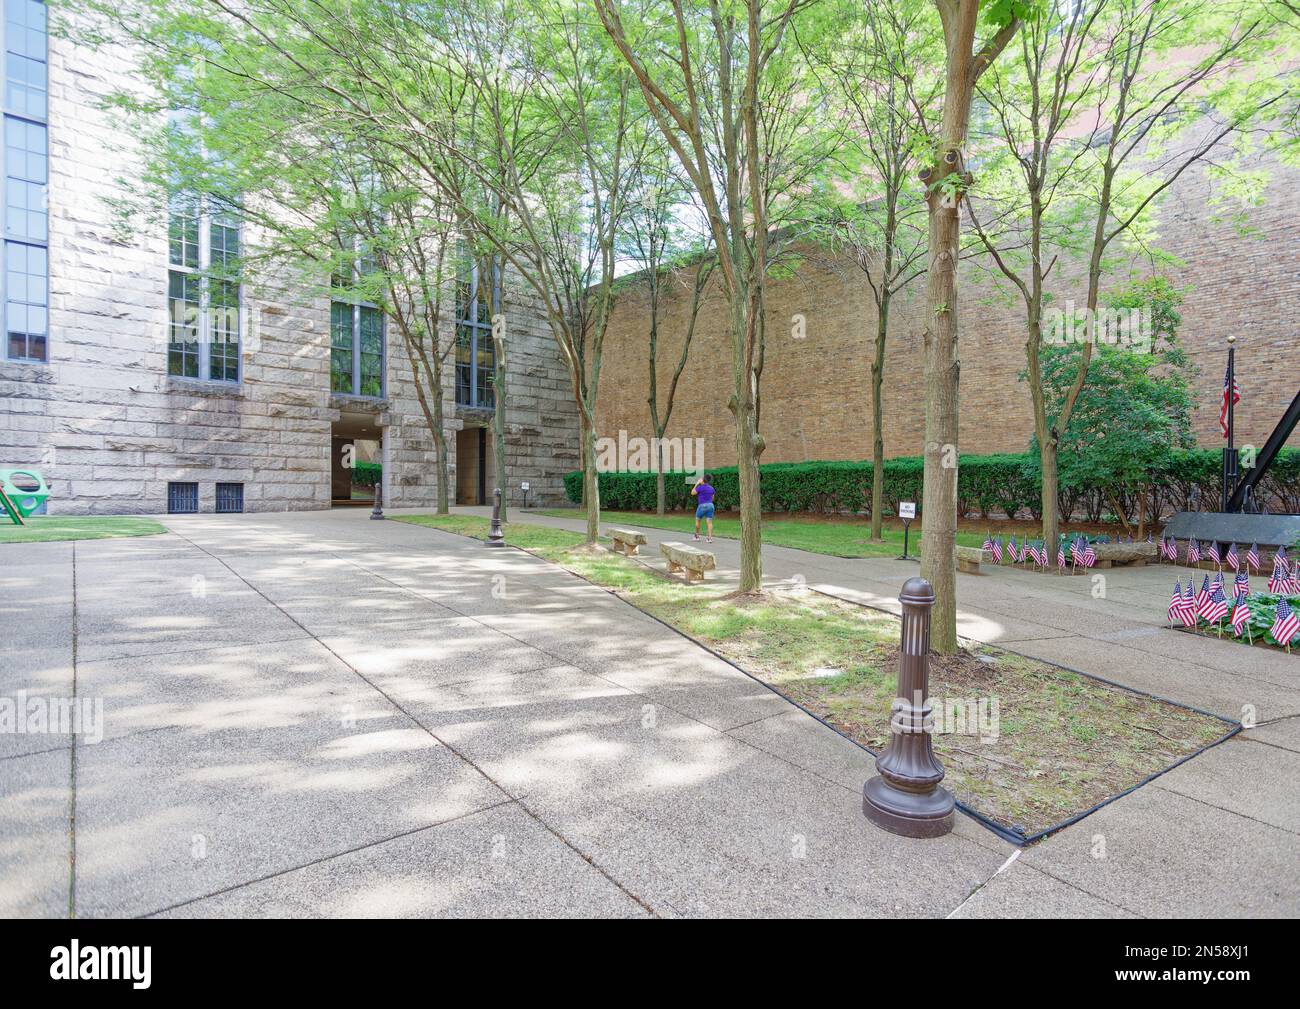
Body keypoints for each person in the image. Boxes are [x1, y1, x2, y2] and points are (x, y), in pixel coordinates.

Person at [691, 474, 715, 542]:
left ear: (703, 480)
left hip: (702, 505)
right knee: (709, 522)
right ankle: (709, 538)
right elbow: (712, 498)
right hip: (711, 505)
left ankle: (697, 536)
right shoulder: (712, 488)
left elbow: (692, 492)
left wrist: (696, 484)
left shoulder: (700, 487)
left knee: (698, 520)